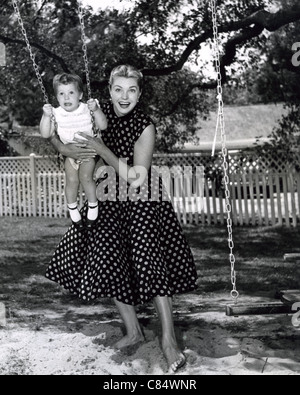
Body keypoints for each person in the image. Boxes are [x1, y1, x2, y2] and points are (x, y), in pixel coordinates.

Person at [45, 65, 198, 373]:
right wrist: (66, 146)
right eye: (118, 89)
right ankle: (133, 330)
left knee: (150, 263)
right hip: (109, 197)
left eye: (131, 90)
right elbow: (64, 135)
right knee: (110, 258)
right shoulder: (97, 116)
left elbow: (137, 177)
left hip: (141, 200)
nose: (124, 96)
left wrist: (104, 151)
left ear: (139, 94)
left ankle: (168, 340)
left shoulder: (144, 126)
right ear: (110, 91)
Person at [40, 73, 107, 229]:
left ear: (80, 95)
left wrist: (96, 110)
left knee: (86, 177)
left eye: (71, 93)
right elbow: (45, 134)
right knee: (71, 180)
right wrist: (45, 116)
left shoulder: (87, 108)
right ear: (57, 97)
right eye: (61, 94)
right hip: (70, 153)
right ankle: (72, 208)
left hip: (88, 150)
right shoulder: (56, 113)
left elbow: (103, 125)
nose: (67, 98)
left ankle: (92, 205)